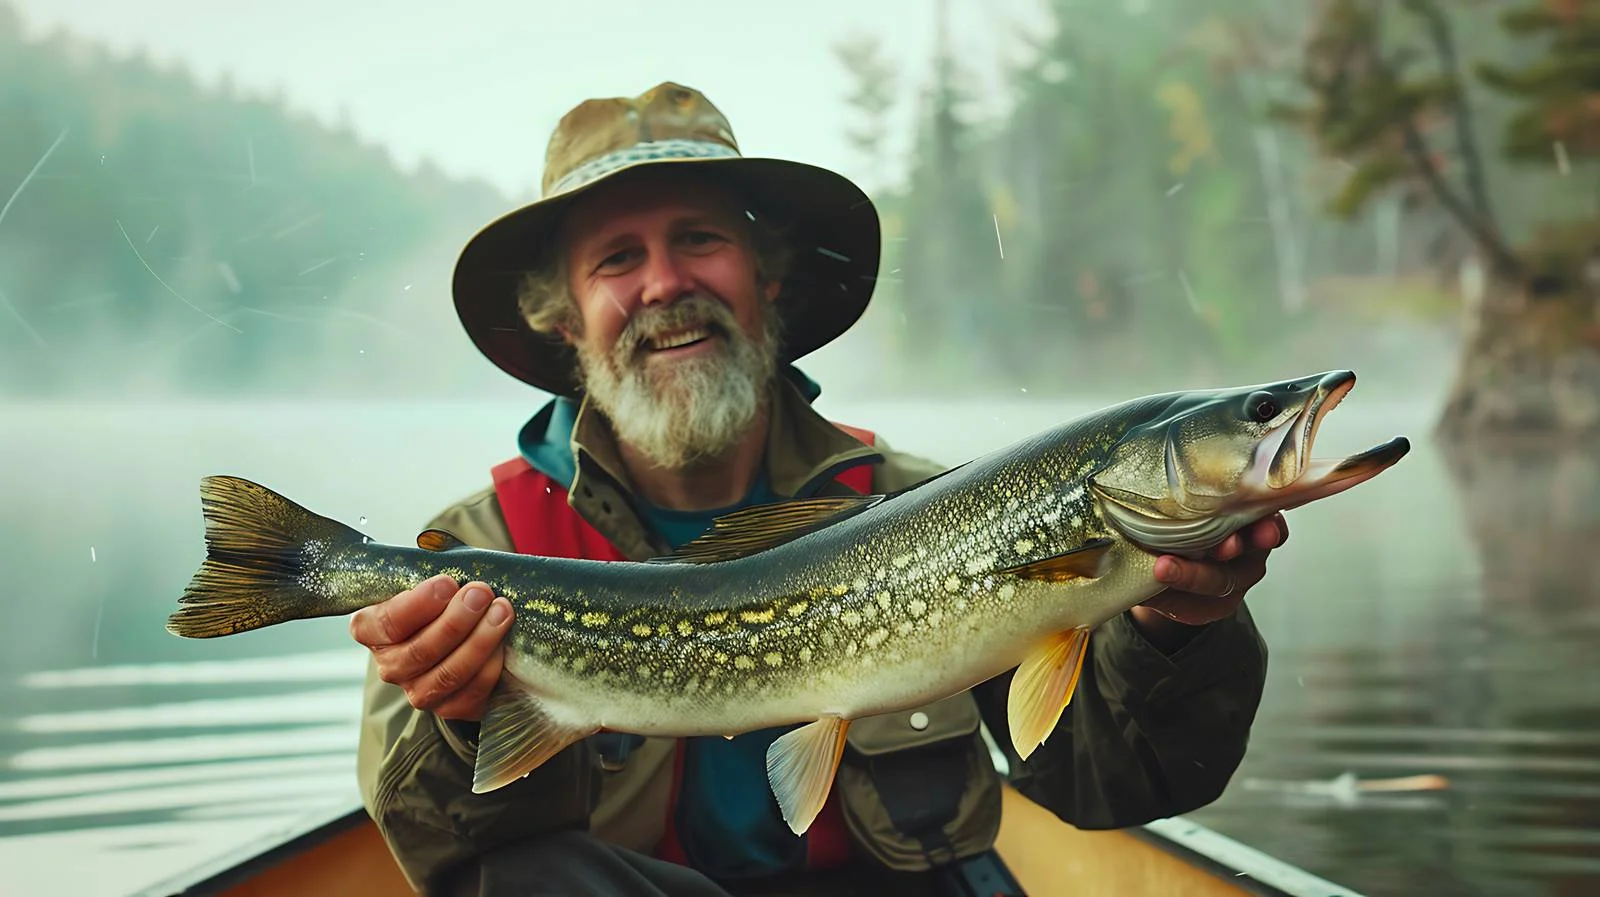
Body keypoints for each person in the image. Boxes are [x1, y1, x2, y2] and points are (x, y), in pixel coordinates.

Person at [351, 82, 1280, 897]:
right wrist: (467, 725)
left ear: (770, 273)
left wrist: (1176, 629)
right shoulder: (474, 553)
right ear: (563, 317)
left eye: (699, 239)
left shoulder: (937, 511)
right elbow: (442, 857)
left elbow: (1121, 785)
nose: (666, 282)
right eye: (617, 259)